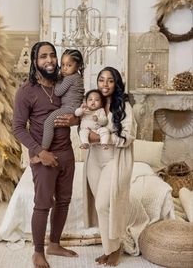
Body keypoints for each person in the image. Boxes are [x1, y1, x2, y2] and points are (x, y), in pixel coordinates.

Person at [55, 66, 137, 267]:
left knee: (104, 204)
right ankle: (108, 248)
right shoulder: (92, 103)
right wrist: (89, 134)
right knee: (101, 208)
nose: (105, 84)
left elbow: (129, 136)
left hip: (114, 160)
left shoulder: (123, 106)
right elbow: (82, 127)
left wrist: (102, 138)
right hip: (94, 161)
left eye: (110, 80)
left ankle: (115, 249)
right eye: (102, 80)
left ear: (116, 83)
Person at [12, 41, 78, 268]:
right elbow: (18, 127)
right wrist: (40, 152)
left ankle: (55, 244)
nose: (49, 60)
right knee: (42, 204)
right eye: (43, 56)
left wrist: (75, 119)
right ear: (35, 61)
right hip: (43, 156)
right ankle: (38, 251)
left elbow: (79, 109)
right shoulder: (26, 91)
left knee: (64, 202)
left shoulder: (65, 83)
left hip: (67, 153)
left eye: (52, 55)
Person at [41, 49, 84, 151]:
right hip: (75, 107)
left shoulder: (69, 78)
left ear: (77, 66)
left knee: (48, 122)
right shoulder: (78, 77)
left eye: (69, 65)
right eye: (63, 64)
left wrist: (57, 80)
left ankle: (43, 149)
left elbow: (58, 92)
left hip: (70, 108)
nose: (64, 68)